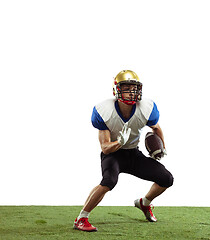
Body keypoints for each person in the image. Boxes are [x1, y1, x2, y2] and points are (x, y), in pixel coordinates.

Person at [73, 70, 174, 232]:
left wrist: (162, 147)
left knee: (166, 178)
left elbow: (156, 128)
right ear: (117, 90)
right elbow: (105, 148)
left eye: (134, 88)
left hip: (133, 154)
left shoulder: (147, 108)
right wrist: (119, 142)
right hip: (113, 155)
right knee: (109, 181)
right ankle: (81, 218)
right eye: (126, 88)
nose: (131, 92)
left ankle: (144, 203)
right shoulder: (104, 110)